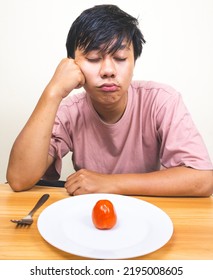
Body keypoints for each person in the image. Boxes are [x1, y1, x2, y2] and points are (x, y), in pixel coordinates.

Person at [6, 4, 213, 196]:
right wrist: (53, 92)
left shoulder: (162, 101)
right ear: (73, 64)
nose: (108, 71)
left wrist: (109, 183)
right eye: (94, 58)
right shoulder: (69, 111)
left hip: (147, 213)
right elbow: (18, 179)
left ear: (134, 61)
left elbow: (203, 179)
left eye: (120, 58)